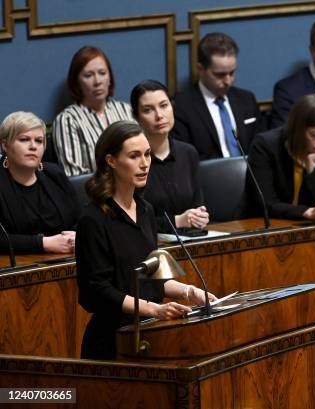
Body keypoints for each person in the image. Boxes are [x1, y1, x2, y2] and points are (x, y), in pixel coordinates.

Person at [76, 120, 216, 360]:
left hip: (150, 333)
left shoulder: (145, 209)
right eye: (134, 156)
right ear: (111, 161)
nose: (144, 164)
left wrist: (190, 292)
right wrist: (155, 309)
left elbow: (150, 275)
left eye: (148, 154)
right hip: (112, 341)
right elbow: (97, 292)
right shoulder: (93, 219)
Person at [130, 80, 209, 233]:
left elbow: (197, 205)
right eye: (148, 110)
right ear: (136, 117)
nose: (159, 115)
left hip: (190, 239)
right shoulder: (132, 159)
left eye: (164, 105)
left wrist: (199, 217)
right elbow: (131, 220)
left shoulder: (188, 153)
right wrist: (177, 221)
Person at [172, 32, 263, 160]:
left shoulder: (246, 99)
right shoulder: (182, 106)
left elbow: (261, 147)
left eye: (232, 73)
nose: (228, 81)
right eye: (220, 75)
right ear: (200, 69)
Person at [247, 94, 315, 220]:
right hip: (261, 225)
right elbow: (266, 204)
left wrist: (311, 169)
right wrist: (306, 212)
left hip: (306, 227)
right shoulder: (264, 146)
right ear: (298, 130)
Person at [0, 111, 79, 254]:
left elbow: (80, 218)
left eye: (39, 141)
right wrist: (44, 243)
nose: (33, 146)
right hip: (19, 267)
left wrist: (76, 236)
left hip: (67, 259)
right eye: (24, 139)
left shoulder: (55, 174)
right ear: (5, 145)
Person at [52, 46, 133, 176]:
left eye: (102, 73)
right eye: (88, 75)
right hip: (96, 194)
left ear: (109, 77)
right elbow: (75, 176)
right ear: (77, 82)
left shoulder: (126, 110)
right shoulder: (68, 120)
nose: (97, 81)